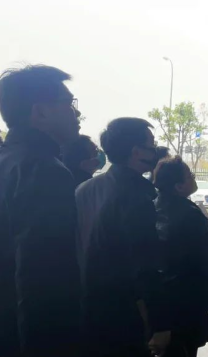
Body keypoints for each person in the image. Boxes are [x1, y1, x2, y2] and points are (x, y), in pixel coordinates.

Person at [0, 65, 82, 357]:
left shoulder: (8, 160)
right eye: (69, 103)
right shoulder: (44, 170)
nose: (77, 113)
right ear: (41, 112)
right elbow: (40, 275)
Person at [76, 118, 171, 357]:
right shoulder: (136, 196)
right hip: (125, 311)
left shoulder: (85, 189)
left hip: (87, 305)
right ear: (137, 152)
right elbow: (146, 263)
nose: (155, 151)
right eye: (151, 145)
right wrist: (160, 324)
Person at [154, 156, 208, 357]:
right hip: (185, 300)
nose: (194, 178)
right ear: (179, 187)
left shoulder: (151, 208)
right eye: (190, 176)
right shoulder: (189, 214)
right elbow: (205, 261)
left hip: (157, 300)